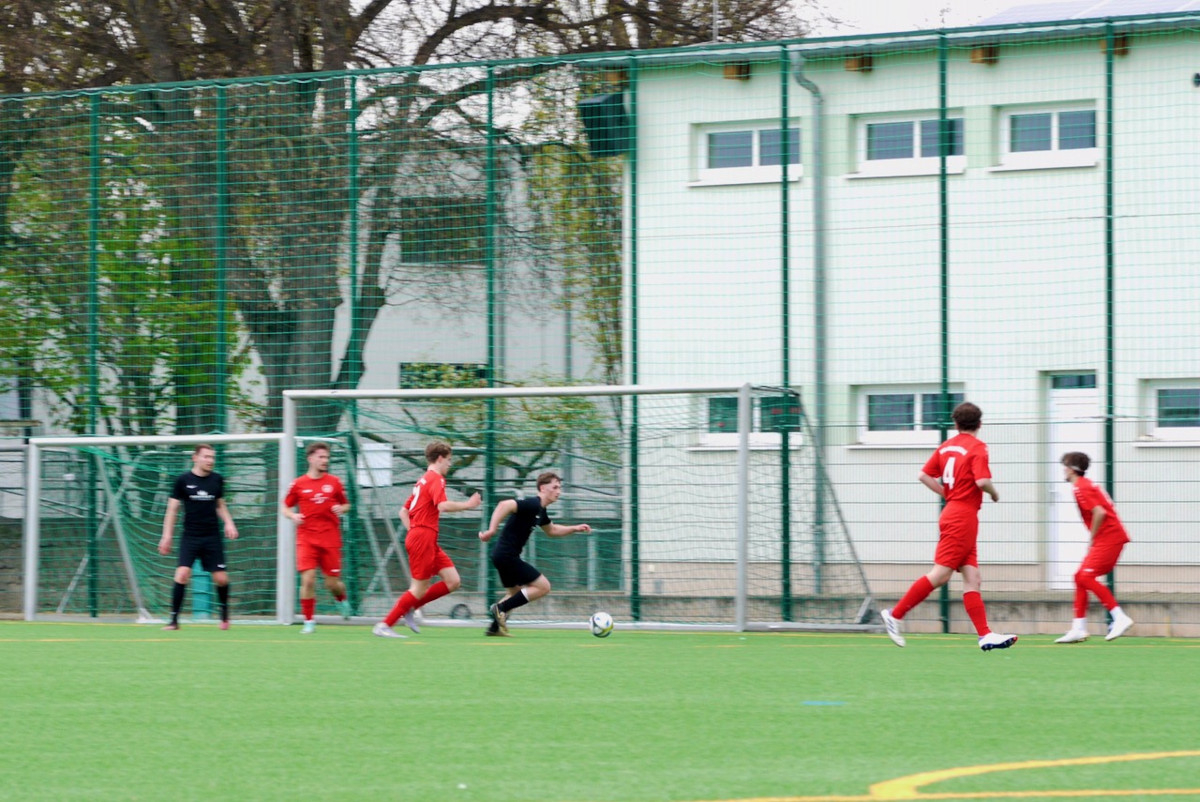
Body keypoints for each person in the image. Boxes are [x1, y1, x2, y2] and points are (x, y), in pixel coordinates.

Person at [879, 402, 1018, 652]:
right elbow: (983, 480)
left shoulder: (946, 447)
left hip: (955, 512)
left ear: (955, 424)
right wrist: (995, 494)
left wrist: (947, 494)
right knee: (940, 574)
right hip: (962, 516)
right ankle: (895, 614)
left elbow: (923, 475)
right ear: (980, 424)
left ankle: (985, 635)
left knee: (972, 578)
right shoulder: (978, 447)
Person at [373, 441, 481, 638]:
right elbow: (443, 506)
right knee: (418, 587)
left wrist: (415, 532)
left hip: (424, 537)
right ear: (439, 459)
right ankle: (384, 625)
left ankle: (410, 607)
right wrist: (468, 504)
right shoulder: (435, 479)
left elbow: (403, 512)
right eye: (448, 460)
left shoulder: (422, 480)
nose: (450, 464)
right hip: (423, 537)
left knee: (453, 581)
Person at [479, 472, 592, 636]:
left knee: (515, 594)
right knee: (543, 586)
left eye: (559, 487)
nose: (558, 491)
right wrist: (492, 529)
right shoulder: (532, 504)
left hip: (502, 555)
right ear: (542, 488)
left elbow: (552, 530)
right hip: (507, 555)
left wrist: (575, 528)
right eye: (555, 487)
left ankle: (494, 628)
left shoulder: (541, 510)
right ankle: (500, 609)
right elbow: (504, 505)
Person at [1054, 452, 1134, 643]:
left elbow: (1099, 512)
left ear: (1073, 469)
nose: (1063, 470)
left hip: (1109, 538)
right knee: (1079, 577)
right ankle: (1078, 628)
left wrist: (1092, 536)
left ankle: (1119, 616)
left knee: (1085, 576)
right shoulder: (1084, 485)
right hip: (1108, 538)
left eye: (1065, 466)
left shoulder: (1081, 487)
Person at [157, 444, 239, 630]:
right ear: (195, 458)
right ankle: (174, 620)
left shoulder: (217, 480)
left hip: (212, 537)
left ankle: (224, 616)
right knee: (182, 574)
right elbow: (172, 509)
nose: (210, 460)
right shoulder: (182, 480)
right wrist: (167, 536)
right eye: (206, 457)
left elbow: (220, 505)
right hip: (190, 537)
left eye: (212, 457)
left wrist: (229, 522)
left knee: (221, 579)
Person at [282, 441, 352, 634]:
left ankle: (341, 598)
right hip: (306, 538)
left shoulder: (334, 482)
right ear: (310, 458)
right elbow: (285, 506)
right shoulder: (298, 484)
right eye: (321, 457)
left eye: (327, 457)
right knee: (309, 580)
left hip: (330, 537)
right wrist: (292, 515)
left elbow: (347, 505)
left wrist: (341, 508)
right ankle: (309, 621)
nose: (325, 461)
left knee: (331, 583)